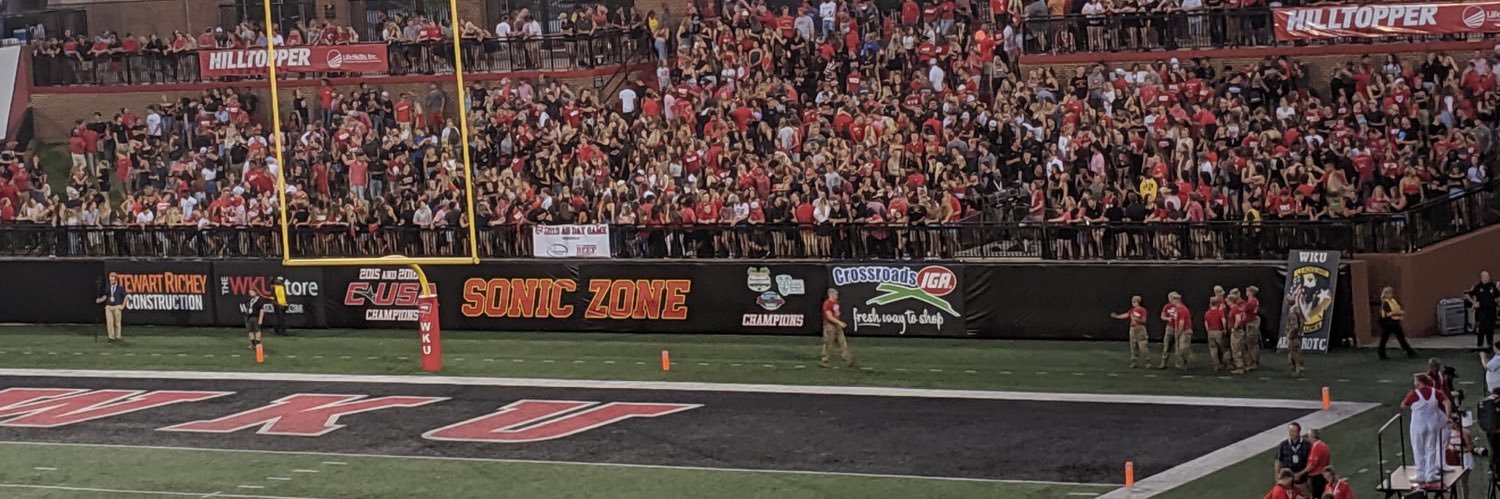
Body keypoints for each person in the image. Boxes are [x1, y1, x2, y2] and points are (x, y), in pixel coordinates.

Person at [1401, 373, 1453, 486]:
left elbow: (1404, 405)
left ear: (1419, 382)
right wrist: (1447, 416)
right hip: (1432, 424)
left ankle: (1420, 473)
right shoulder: (1435, 392)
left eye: (1415, 381)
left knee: (1418, 448)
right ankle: (1430, 474)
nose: (1414, 383)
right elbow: (1447, 402)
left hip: (1418, 424)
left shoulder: (1414, 393)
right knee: (1431, 448)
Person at [1111, 295, 1150, 368]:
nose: (1133, 303)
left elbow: (1144, 320)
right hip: (1132, 328)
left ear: (1138, 302)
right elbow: (1126, 315)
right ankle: (1134, 361)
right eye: (1132, 302)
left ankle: (1147, 361)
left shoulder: (1142, 310)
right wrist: (1117, 316)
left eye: (1134, 302)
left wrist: (1136, 319)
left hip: (1140, 328)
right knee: (1133, 345)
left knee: (1143, 346)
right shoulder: (1132, 310)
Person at [1378, 286, 1417, 359]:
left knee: (1400, 337)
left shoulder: (1393, 301)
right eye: (1388, 293)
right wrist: (1397, 313)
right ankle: (1381, 353)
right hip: (1387, 323)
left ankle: (1409, 351)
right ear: (1385, 294)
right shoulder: (1385, 302)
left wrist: (1399, 314)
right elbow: (1388, 314)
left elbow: (1400, 310)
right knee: (1385, 338)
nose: (1390, 294)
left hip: (1394, 322)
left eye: (1391, 293)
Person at [1159, 291, 1192, 370]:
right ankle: (1164, 362)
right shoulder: (1167, 306)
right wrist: (1167, 318)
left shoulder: (1180, 308)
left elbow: (1182, 321)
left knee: (1180, 347)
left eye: (1172, 298)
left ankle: (1181, 363)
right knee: (1167, 345)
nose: (1170, 299)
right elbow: (1162, 316)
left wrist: (1178, 332)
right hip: (1170, 327)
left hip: (1179, 328)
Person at [1444, 415, 1475, 498]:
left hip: (1465, 458)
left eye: (1451, 422)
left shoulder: (1464, 433)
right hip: (1454, 458)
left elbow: (1470, 447)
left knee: (1463, 482)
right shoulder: (1449, 433)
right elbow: (1447, 444)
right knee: (1452, 481)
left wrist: (1459, 449)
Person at [821, 288, 852, 367]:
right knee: (829, 341)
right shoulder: (827, 304)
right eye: (835, 294)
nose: (837, 296)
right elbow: (829, 316)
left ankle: (845, 356)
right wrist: (839, 322)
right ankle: (825, 357)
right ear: (830, 294)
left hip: (836, 325)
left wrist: (838, 322)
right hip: (829, 325)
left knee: (842, 341)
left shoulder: (836, 303)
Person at [1469, 271, 1499, 350]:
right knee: (1481, 328)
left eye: (1488, 276)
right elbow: (1468, 295)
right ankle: (1480, 345)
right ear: (1482, 277)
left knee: (1490, 328)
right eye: (1486, 276)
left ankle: (1490, 345)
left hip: (1491, 311)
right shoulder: (1478, 287)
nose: (1488, 278)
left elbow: (1498, 295)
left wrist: (1497, 301)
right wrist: (1474, 303)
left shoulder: (1492, 286)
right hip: (1482, 311)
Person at [94, 272, 127, 342]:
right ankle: (111, 337)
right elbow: (105, 296)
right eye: (110, 279)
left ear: (116, 279)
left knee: (117, 323)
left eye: (112, 279)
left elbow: (126, 296)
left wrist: (123, 306)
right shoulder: (108, 288)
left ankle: (118, 336)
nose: (111, 281)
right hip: (109, 307)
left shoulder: (120, 288)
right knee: (109, 322)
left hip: (117, 307)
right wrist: (100, 300)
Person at [1285, 286, 1307, 377]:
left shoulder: (1292, 313)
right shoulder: (1297, 311)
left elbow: (1295, 326)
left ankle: (1297, 370)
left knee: (1294, 353)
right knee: (1296, 352)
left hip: (1294, 337)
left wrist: (1289, 335)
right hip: (1298, 335)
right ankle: (1298, 368)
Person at [1302, 428, 1330, 498]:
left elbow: (1312, 465)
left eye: (1308, 436)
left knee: (1317, 496)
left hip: (1317, 477)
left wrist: (1300, 473)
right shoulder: (1322, 445)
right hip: (1322, 475)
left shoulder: (1316, 446)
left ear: (1312, 436)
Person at [1204, 295, 1228, 372]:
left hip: (1211, 332)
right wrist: (1224, 328)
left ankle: (1216, 365)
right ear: (1217, 304)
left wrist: (1208, 331)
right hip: (1218, 332)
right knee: (1223, 348)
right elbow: (1223, 320)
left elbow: (1206, 323)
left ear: (1210, 304)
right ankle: (1227, 363)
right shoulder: (1219, 312)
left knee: (1213, 349)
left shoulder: (1207, 313)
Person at [1245, 285, 1263, 370]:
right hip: (1251, 323)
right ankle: (1252, 361)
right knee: (1251, 344)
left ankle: (1254, 362)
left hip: (1251, 324)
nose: (1246, 292)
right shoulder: (1254, 301)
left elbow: (1244, 309)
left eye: (1247, 291)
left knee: (1252, 344)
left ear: (1251, 293)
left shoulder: (1251, 303)